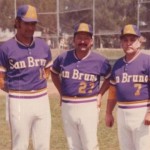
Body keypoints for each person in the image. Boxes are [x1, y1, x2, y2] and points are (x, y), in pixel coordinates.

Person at [50, 22, 111, 150]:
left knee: (90, 144)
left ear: (92, 41)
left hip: (88, 104)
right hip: (68, 105)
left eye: (86, 38)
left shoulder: (100, 60)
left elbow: (109, 78)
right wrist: (61, 92)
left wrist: (100, 94)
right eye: (79, 38)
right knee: (73, 145)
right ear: (73, 40)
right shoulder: (63, 57)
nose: (82, 41)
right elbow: (54, 73)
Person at [0, 4, 52, 150]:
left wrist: (41, 79)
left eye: (33, 24)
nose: (30, 27)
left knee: (43, 145)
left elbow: (47, 68)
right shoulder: (6, 48)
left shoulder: (43, 46)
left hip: (42, 99)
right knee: (19, 145)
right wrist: (14, 89)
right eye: (27, 23)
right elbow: (0, 78)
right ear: (17, 22)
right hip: (19, 100)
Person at [105, 24, 150, 150]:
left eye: (132, 40)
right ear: (121, 43)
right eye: (125, 40)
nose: (128, 43)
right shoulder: (118, 64)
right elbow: (113, 91)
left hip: (142, 112)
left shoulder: (147, 61)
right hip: (122, 113)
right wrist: (108, 112)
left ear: (139, 42)